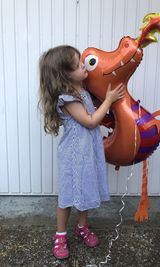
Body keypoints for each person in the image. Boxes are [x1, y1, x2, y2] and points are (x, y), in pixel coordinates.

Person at [38, 45, 125, 259]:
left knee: (85, 192)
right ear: (65, 75)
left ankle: (82, 227)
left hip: (87, 155)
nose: (83, 65)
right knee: (67, 197)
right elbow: (90, 121)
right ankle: (60, 234)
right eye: (78, 65)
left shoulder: (82, 91)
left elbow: (93, 111)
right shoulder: (68, 99)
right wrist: (109, 100)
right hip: (73, 157)